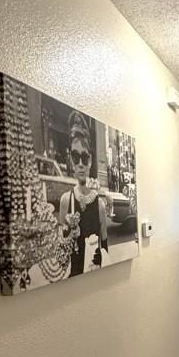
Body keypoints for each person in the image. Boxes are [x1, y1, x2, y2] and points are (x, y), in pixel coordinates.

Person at [59, 111, 109, 275]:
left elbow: (105, 246)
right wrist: (69, 235)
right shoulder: (66, 200)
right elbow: (61, 254)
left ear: (90, 161)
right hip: (74, 278)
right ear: (70, 159)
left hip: (96, 276)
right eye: (75, 157)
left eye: (84, 158)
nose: (80, 164)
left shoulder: (99, 204)